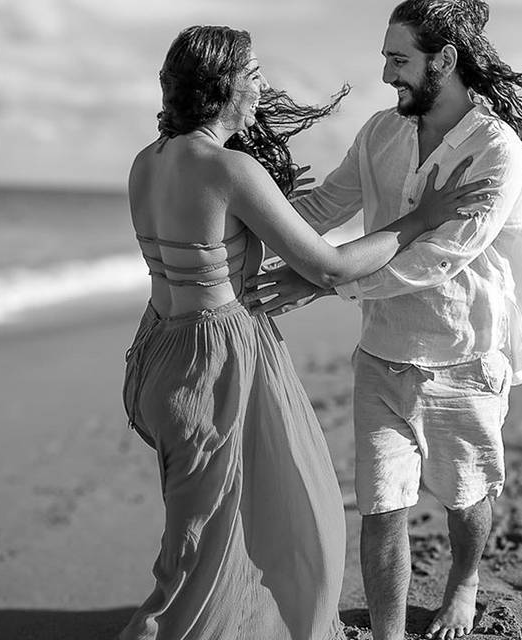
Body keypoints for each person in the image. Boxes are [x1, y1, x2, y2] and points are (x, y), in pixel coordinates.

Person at [117, 24, 492, 640]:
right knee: (263, 538)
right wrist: (421, 218)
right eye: (255, 76)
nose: (263, 88)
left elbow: (206, 242)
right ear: (226, 87)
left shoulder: (148, 161)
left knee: (215, 538)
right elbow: (329, 265)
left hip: (158, 351)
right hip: (216, 364)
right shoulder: (230, 168)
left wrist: (276, 204)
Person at [245, 1, 522, 638]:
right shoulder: (381, 133)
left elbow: (437, 260)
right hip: (384, 350)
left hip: (466, 353)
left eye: (400, 60)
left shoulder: (495, 150)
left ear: (444, 60)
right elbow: (326, 204)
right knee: (382, 507)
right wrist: (237, 221)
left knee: (467, 496)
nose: (387, 73)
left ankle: (465, 584)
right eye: (386, 57)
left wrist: (321, 281)